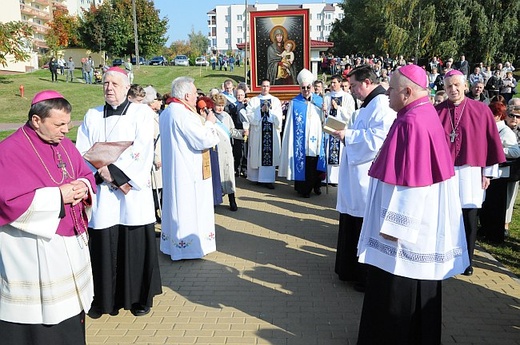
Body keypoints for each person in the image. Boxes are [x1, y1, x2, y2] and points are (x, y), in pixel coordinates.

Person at [357, 64, 469, 345]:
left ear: (407, 92)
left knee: (399, 290)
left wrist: (396, 226)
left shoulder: (413, 122)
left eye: (392, 89)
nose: (387, 94)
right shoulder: (418, 113)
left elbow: (414, 183)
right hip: (420, 227)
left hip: (405, 235)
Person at [0, 90, 96, 344]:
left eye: (68, 122)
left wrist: (82, 188)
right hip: (33, 248)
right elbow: (7, 201)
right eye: (59, 124)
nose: (66, 130)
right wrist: (57, 197)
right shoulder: (9, 151)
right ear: (36, 120)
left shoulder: (64, 144)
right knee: (43, 319)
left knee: (70, 313)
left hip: (68, 244)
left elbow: (84, 173)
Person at [76, 67, 162, 318]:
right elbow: (83, 150)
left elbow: (143, 148)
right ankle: (102, 300)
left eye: (114, 83)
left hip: (132, 194)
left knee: (133, 243)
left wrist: (114, 172)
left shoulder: (141, 113)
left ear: (126, 87)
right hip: (103, 193)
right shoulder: (91, 115)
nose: (109, 87)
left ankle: (138, 299)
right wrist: (101, 172)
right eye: (105, 83)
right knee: (102, 244)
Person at [435, 69, 505, 276]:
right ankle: (443, 255)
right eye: (449, 86)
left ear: (465, 86)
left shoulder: (481, 111)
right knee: (445, 216)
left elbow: (491, 143)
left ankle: (467, 260)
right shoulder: (437, 111)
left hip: (471, 172)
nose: (453, 89)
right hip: (444, 172)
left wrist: (488, 173)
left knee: (469, 217)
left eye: (457, 85)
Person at [333, 64, 396, 290]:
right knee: (352, 221)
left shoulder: (382, 106)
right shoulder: (368, 105)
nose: (352, 90)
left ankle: (364, 275)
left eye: (354, 86)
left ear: (367, 82)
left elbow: (378, 140)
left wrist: (347, 135)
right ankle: (349, 270)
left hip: (367, 176)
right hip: (356, 175)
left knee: (363, 223)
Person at [159, 76, 220, 260]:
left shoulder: (168, 112)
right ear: (186, 95)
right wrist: (209, 122)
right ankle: (188, 249)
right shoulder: (183, 114)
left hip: (175, 170)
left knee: (175, 207)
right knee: (188, 208)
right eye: (194, 93)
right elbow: (204, 140)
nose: (196, 97)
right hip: (188, 172)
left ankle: (174, 246)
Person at [279, 69, 326, 198]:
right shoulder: (295, 102)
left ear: (312, 86)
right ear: (300, 88)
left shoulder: (320, 101)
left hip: (316, 139)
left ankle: (316, 186)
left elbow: (325, 120)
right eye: (303, 87)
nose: (306, 90)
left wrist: (325, 112)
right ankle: (304, 189)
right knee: (304, 163)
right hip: (301, 141)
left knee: (315, 161)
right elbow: (289, 125)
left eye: (308, 87)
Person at [479, 101, 520, 243]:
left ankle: (495, 235)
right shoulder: (491, 128)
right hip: (491, 172)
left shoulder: (505, 131)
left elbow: (516, 152)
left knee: (497, 207)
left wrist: (498, 151)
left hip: (501, 174)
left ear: (497, 115)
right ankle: (485, 230)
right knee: (487, 205)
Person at [244, 79, 283, 189]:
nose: (265, 88)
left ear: (270, 87)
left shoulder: (275, 100)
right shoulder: (254, 100)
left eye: (267, 86)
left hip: (270, 132)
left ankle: (268, 180)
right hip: (258, 133)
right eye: (263, 86)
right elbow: (249, 115)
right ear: (260, 87)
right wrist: (260, 111)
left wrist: (269, 112)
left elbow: (278, 117)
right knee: (257, 153)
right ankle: (256, 178)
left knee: (268, 155)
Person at [212, 93, 247, 210]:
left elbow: (231, 131)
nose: (220, 108)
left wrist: (242, 133)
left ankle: (232, 200)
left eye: (222, 105)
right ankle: (215, 200)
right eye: (217, 105)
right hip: (216, 151)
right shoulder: (210, 117)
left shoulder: (226, 116)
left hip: (227, 150)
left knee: (229, 176)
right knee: (217, 176)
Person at [322, 74, 356, 185]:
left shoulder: (347, 97)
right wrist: (324, 111)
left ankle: (338, 179)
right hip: (329, 130)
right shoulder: (327, 96)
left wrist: (339, 108)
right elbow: (324, 116)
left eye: (334, 83)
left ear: (340, 83)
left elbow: (351, 115)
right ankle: (328, 177)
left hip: (341, 129)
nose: (332, 85)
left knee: (340, 153)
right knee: (328, 151)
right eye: (331, 83)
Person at [143, 85, 163, 224]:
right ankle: (152, 216)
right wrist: (155, 158)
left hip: (159, 156)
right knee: (153, 191)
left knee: (159, 189)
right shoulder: (147, 117)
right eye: (157, 99)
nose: (160, 102)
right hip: (153, 158)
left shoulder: (155, 115)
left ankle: (156, 214)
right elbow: (149, 140)